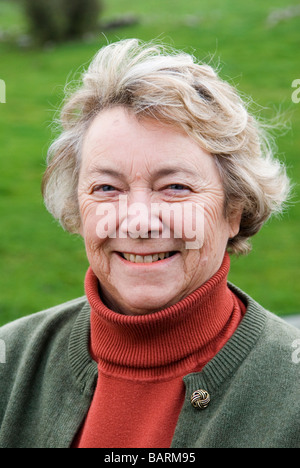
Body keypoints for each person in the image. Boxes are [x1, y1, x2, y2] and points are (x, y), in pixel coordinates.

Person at [0, 39, 299, 449]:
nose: (139, 222)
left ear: (234, 210)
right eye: (107, 188)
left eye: (174, 187)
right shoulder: (10, 363)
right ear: (77, 207)